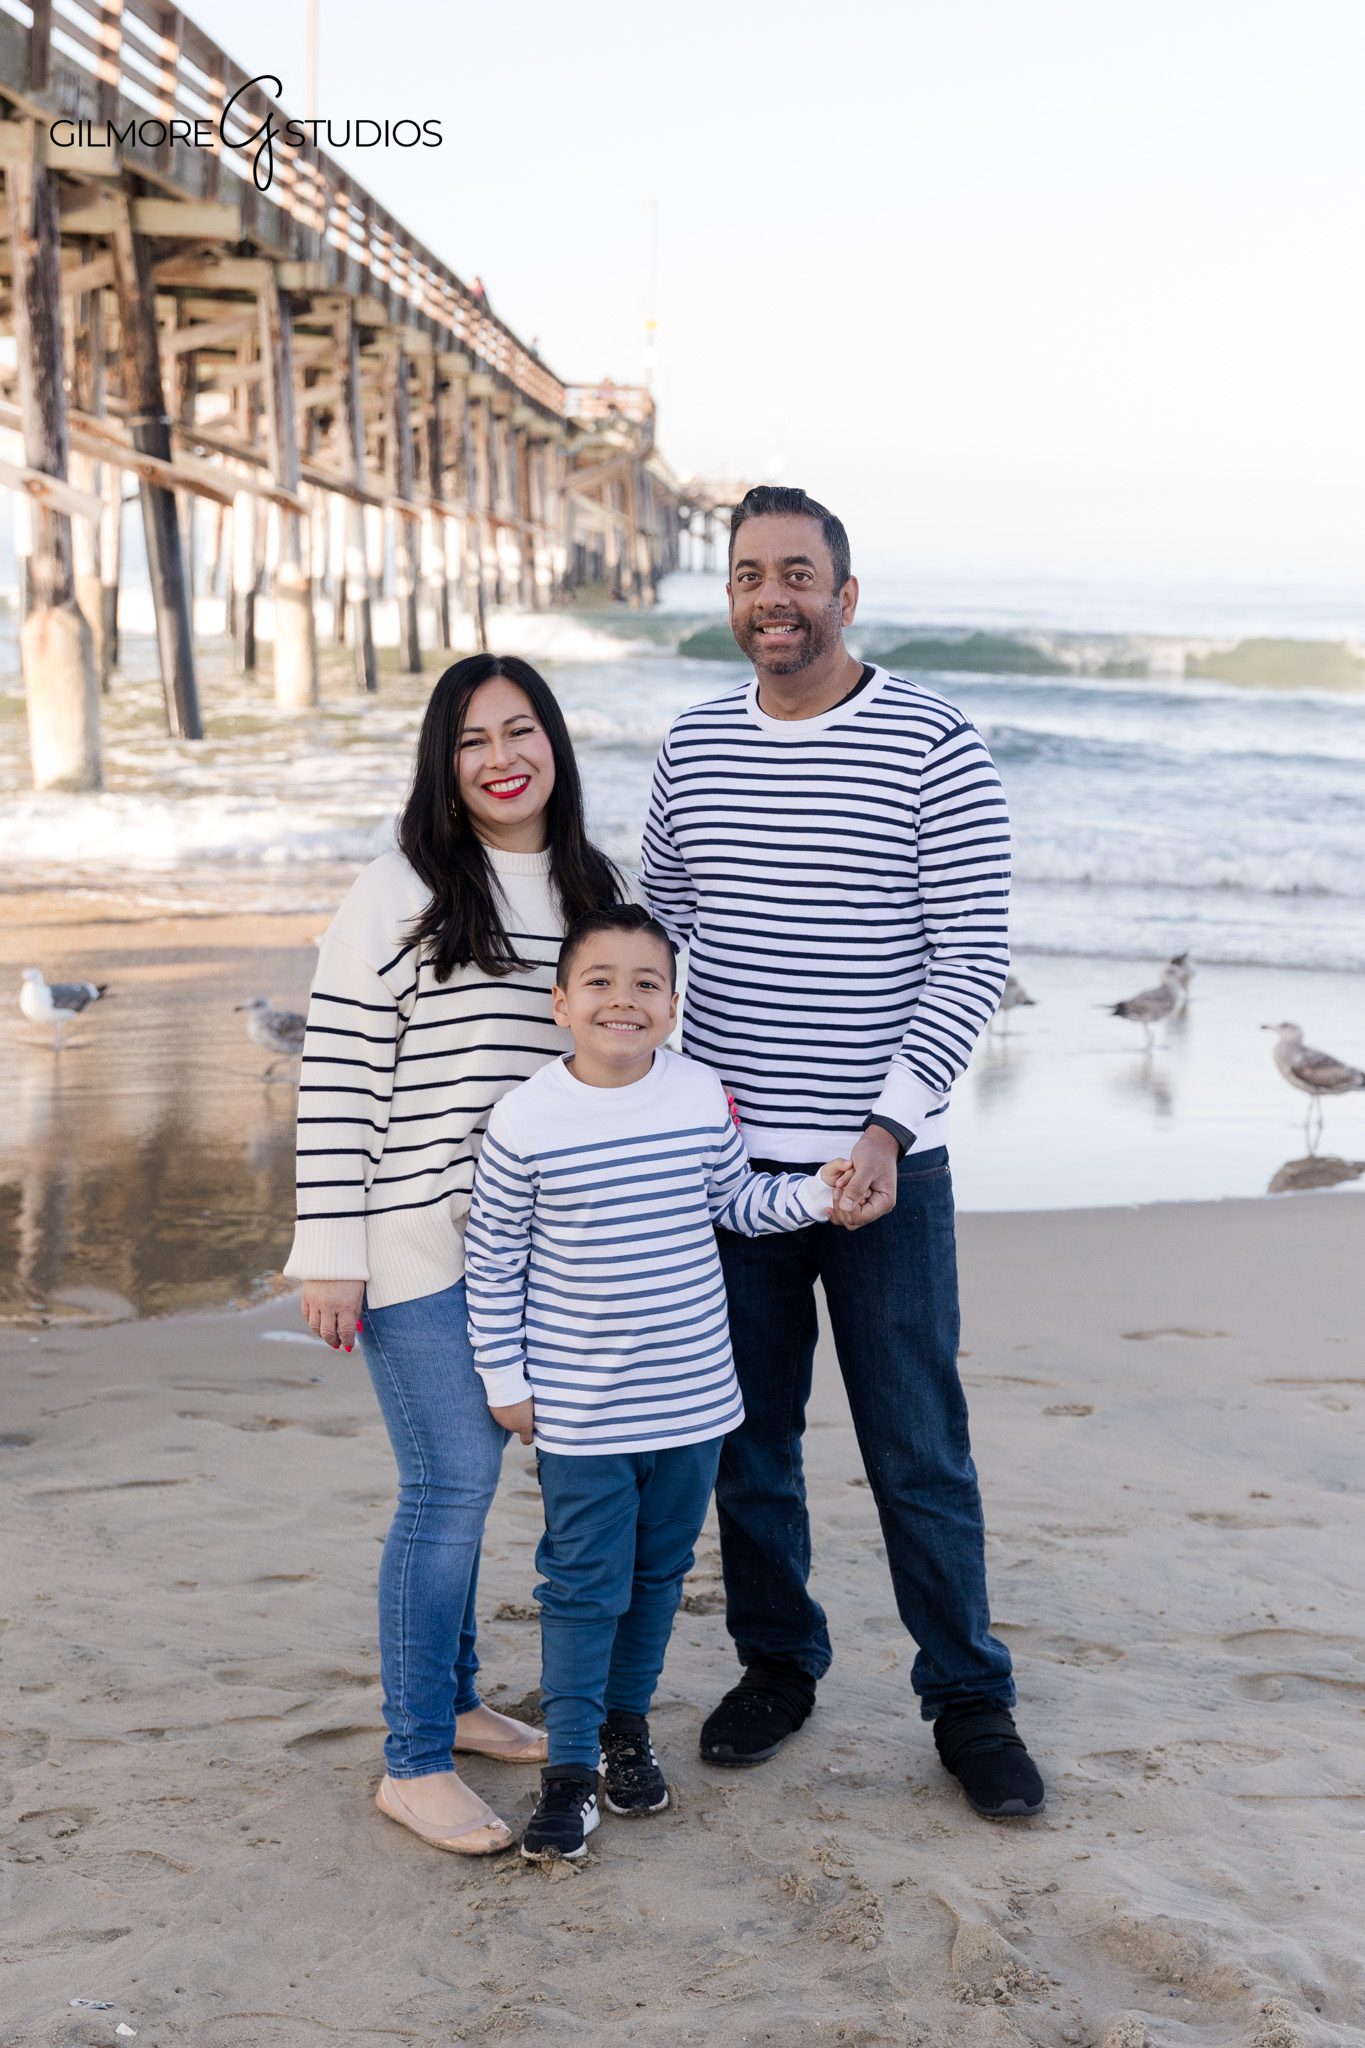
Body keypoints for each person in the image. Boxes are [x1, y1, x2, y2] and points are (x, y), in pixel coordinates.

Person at [640, 485, 1046, 1820]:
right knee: (747, 1444)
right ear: (732, 598)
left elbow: (969, 954)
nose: (774, 597)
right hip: (732, 1172)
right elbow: (653, 941)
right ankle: (779, 1665)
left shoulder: (933, 743)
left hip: (883, 1170)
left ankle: (967, 1696)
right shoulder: (693, 750)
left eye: (799, 574)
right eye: (751, 575)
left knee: (915, 1445)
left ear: (846, 594)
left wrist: (884, 1125)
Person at [284, 653, 627, 1855]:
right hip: (414, 1241)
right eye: (473, 739)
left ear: (553, 745)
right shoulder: (403, 887)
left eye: (520, 730)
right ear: (445, 760)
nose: (500, 757)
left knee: (477, 1485)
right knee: (448, 1490)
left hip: (538, 1254)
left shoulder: (596, 882)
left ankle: (462, 1701)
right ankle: (412, 1759)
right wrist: (330, 1252)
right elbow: (336, 1078)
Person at [463, 905, 852, 1861]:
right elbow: (494, 1258)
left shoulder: (695, 1094)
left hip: (692, 1400)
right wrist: (503, 1376)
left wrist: (814, 1193)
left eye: (646, 983)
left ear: (673, 1006)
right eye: (599, 981)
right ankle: (566, 1776)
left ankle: (622, 1731)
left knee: (657, 1577)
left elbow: (733, 1201)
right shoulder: (526, 1120)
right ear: (560, 1003)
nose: (622, 999)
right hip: (583, 1406)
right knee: (582, 1584)